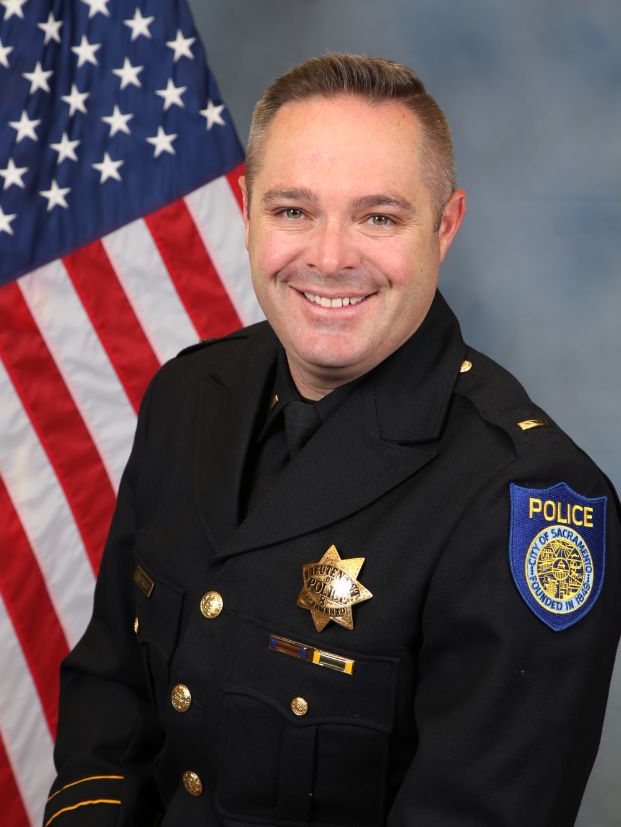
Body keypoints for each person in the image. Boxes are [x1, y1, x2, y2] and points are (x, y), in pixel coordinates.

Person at [44, 54, 621, 827]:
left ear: (444, 226)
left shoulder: (522, 503)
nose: (328, 257)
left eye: (378, 216)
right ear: (246, 209)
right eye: (293, 210)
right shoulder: (188, 395)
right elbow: (110, 690)